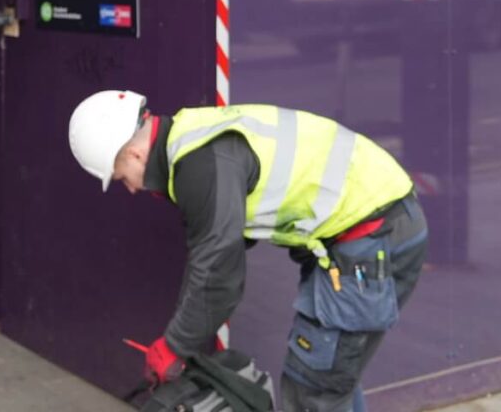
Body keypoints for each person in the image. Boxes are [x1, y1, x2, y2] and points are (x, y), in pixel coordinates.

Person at [68, 92, 428, 412]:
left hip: (371, 240)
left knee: (313, 387)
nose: (130, 188)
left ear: (134, 151)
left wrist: (175, 345)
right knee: (331, 379)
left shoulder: (200, 164)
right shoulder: (192, 137)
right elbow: (211, 257)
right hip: (370, 234)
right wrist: (182, 336)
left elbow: (218, 270)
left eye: (121, 176)